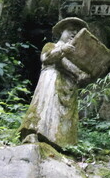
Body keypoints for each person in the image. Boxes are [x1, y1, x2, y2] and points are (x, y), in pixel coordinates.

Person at [20, 17, 92, 150]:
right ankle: (35, 133)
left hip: (68, 86)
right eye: (70, 30)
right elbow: (46, 58)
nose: (73, 34)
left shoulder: (75, 56)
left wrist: (84, 75)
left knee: (63, 115)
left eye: (76, 32)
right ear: (61, 32)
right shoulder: (51, 46)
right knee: (46, 106)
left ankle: (61, 143)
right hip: (51, 80)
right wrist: (62, 50)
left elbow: (78, 73)